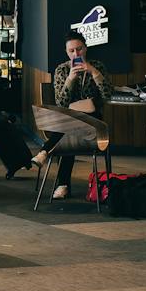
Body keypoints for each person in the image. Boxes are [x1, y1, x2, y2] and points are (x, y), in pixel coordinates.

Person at [38, 30, 113, 201]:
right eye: (71, 51)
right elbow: (61, 103)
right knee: (70, 129)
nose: (76, 54)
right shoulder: (62, 70)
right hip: (69, 121)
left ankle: (46, 153)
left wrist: (93, 72)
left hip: (93, 123)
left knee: (69, 128)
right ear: (66, 52)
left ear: (85, 49)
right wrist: (71, 78)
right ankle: (62, 183)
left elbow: (107, 95)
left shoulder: (97, 66)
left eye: (79, 49)